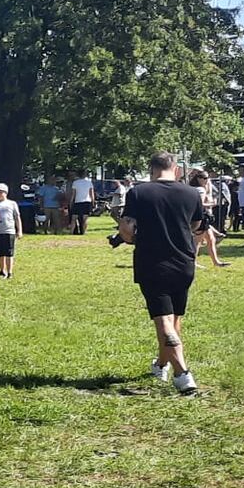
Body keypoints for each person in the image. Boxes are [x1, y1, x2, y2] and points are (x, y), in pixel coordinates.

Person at [116, 152, 205, 395]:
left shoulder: (138, 192)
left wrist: (131, 238)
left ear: (151, 168)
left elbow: (126, 227)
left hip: (153, 262)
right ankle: (162, 365)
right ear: (175, 168)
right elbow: (196, 225)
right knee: (175, 318)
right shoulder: (191, 193)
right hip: (184, 262)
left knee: (164, 321)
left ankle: (183, 375)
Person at [0, 182, 22, 280]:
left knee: (9, 253)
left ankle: (10, 272)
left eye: (0, 192)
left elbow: (17, 217)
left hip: (9, 231)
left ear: (5, 193)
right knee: (0, 253)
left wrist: (19, 230)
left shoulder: (12, 204)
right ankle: (2, 271)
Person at [69, 171, 95, 235]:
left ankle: (71, 232)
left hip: (77, 201)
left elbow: (73, 194)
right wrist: (93, 202)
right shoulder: (89, 182)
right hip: (87, 201)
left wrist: (71, 202)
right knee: (85, 218)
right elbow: (91, 193)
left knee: (74, 218)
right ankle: (84, 232)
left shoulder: (75, 183)